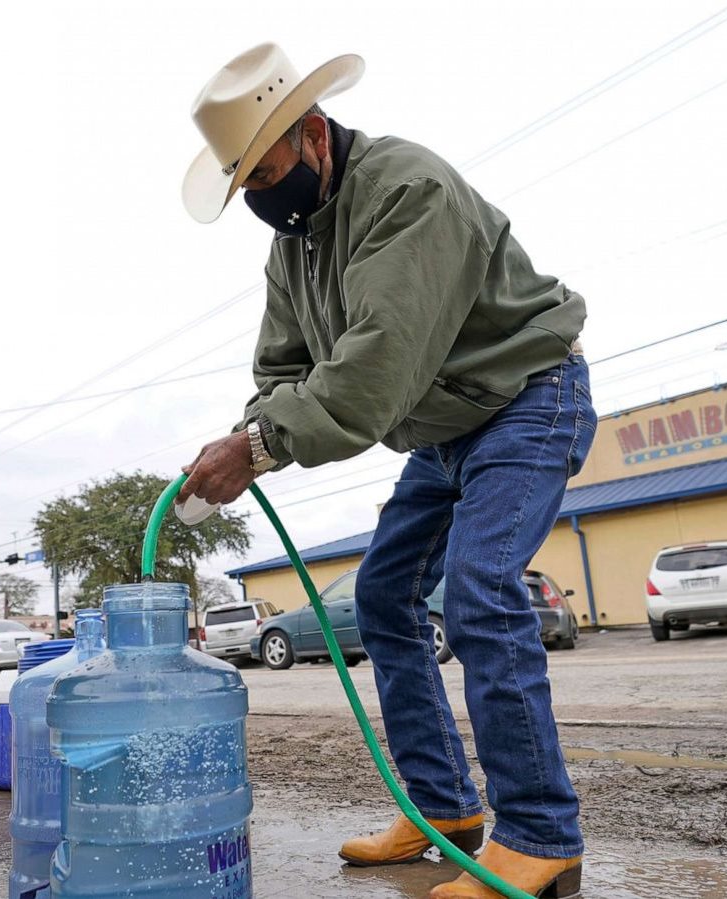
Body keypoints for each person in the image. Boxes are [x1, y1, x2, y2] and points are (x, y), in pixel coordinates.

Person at [178, 45, 595, 899]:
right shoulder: (293, 250)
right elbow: (282, 371)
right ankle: (444, 808)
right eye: (244, 183)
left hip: (525, 397)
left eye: (269, 169)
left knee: (479, 591)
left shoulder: (410, 191)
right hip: (441, 435)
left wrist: (257, 447)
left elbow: (375, 369)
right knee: (381, 598)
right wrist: (250, 431)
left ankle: (543, 833)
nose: (262, 194)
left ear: (316, 134)